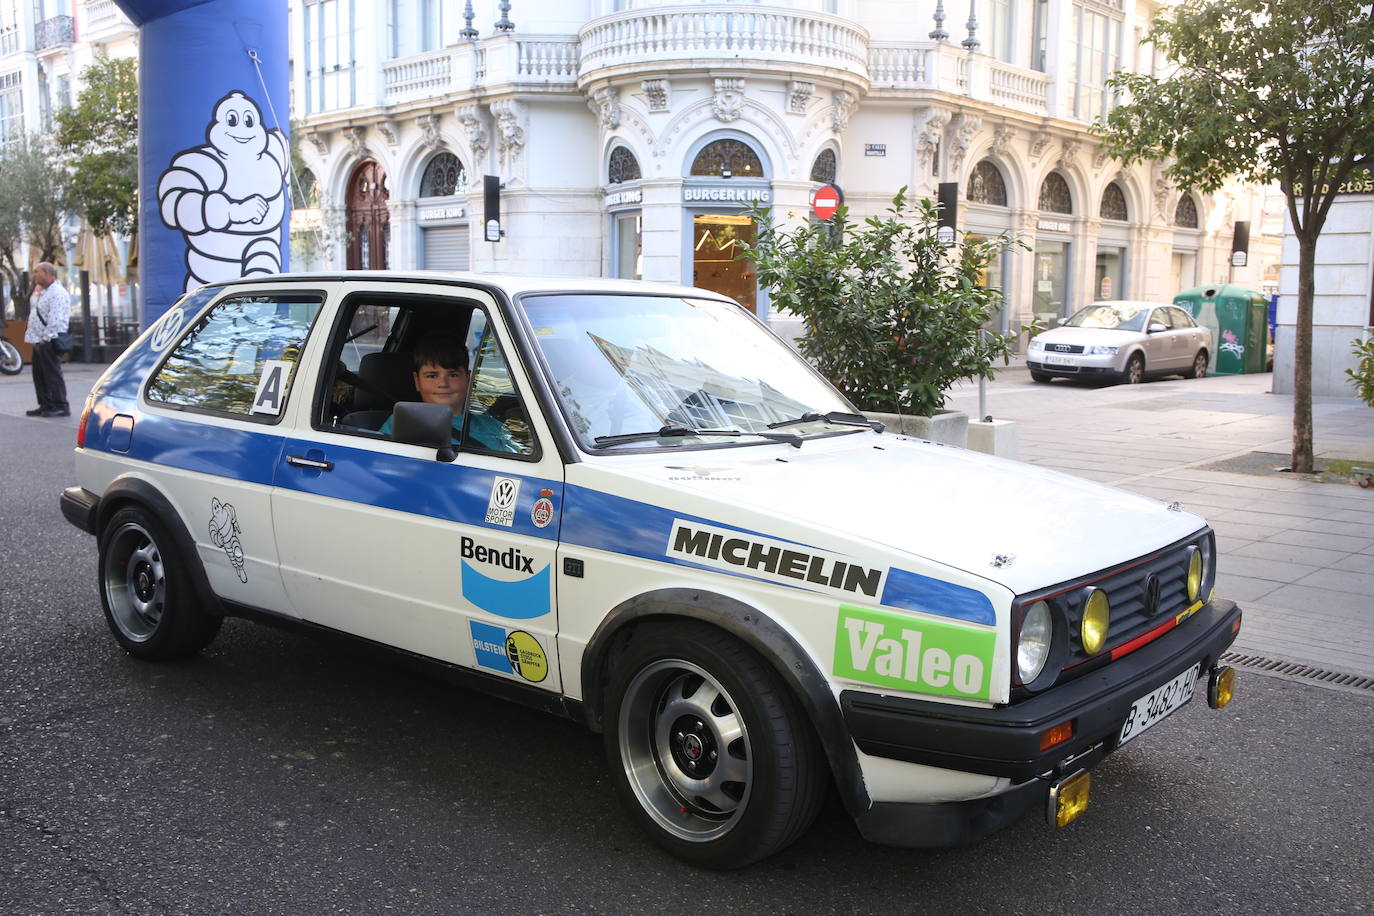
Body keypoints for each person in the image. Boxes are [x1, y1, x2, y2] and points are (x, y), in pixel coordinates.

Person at [377, 334, 519, 452]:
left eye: (453, 375)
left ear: (467, 379)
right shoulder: (401, 423)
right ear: (417, 381)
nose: (442, 384)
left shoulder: (493, 427)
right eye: (432, 376)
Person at [25, 262, 71, 418]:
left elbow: (56, 320)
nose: (34, 275)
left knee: (52, 374)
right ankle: (45, 404)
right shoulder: (43, 292)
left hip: (49, 340)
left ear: (46, 273)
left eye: (37, 272)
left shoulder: (57, 292)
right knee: (39, 374)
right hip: (38, 340)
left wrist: (45, 339)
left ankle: (60, 405)